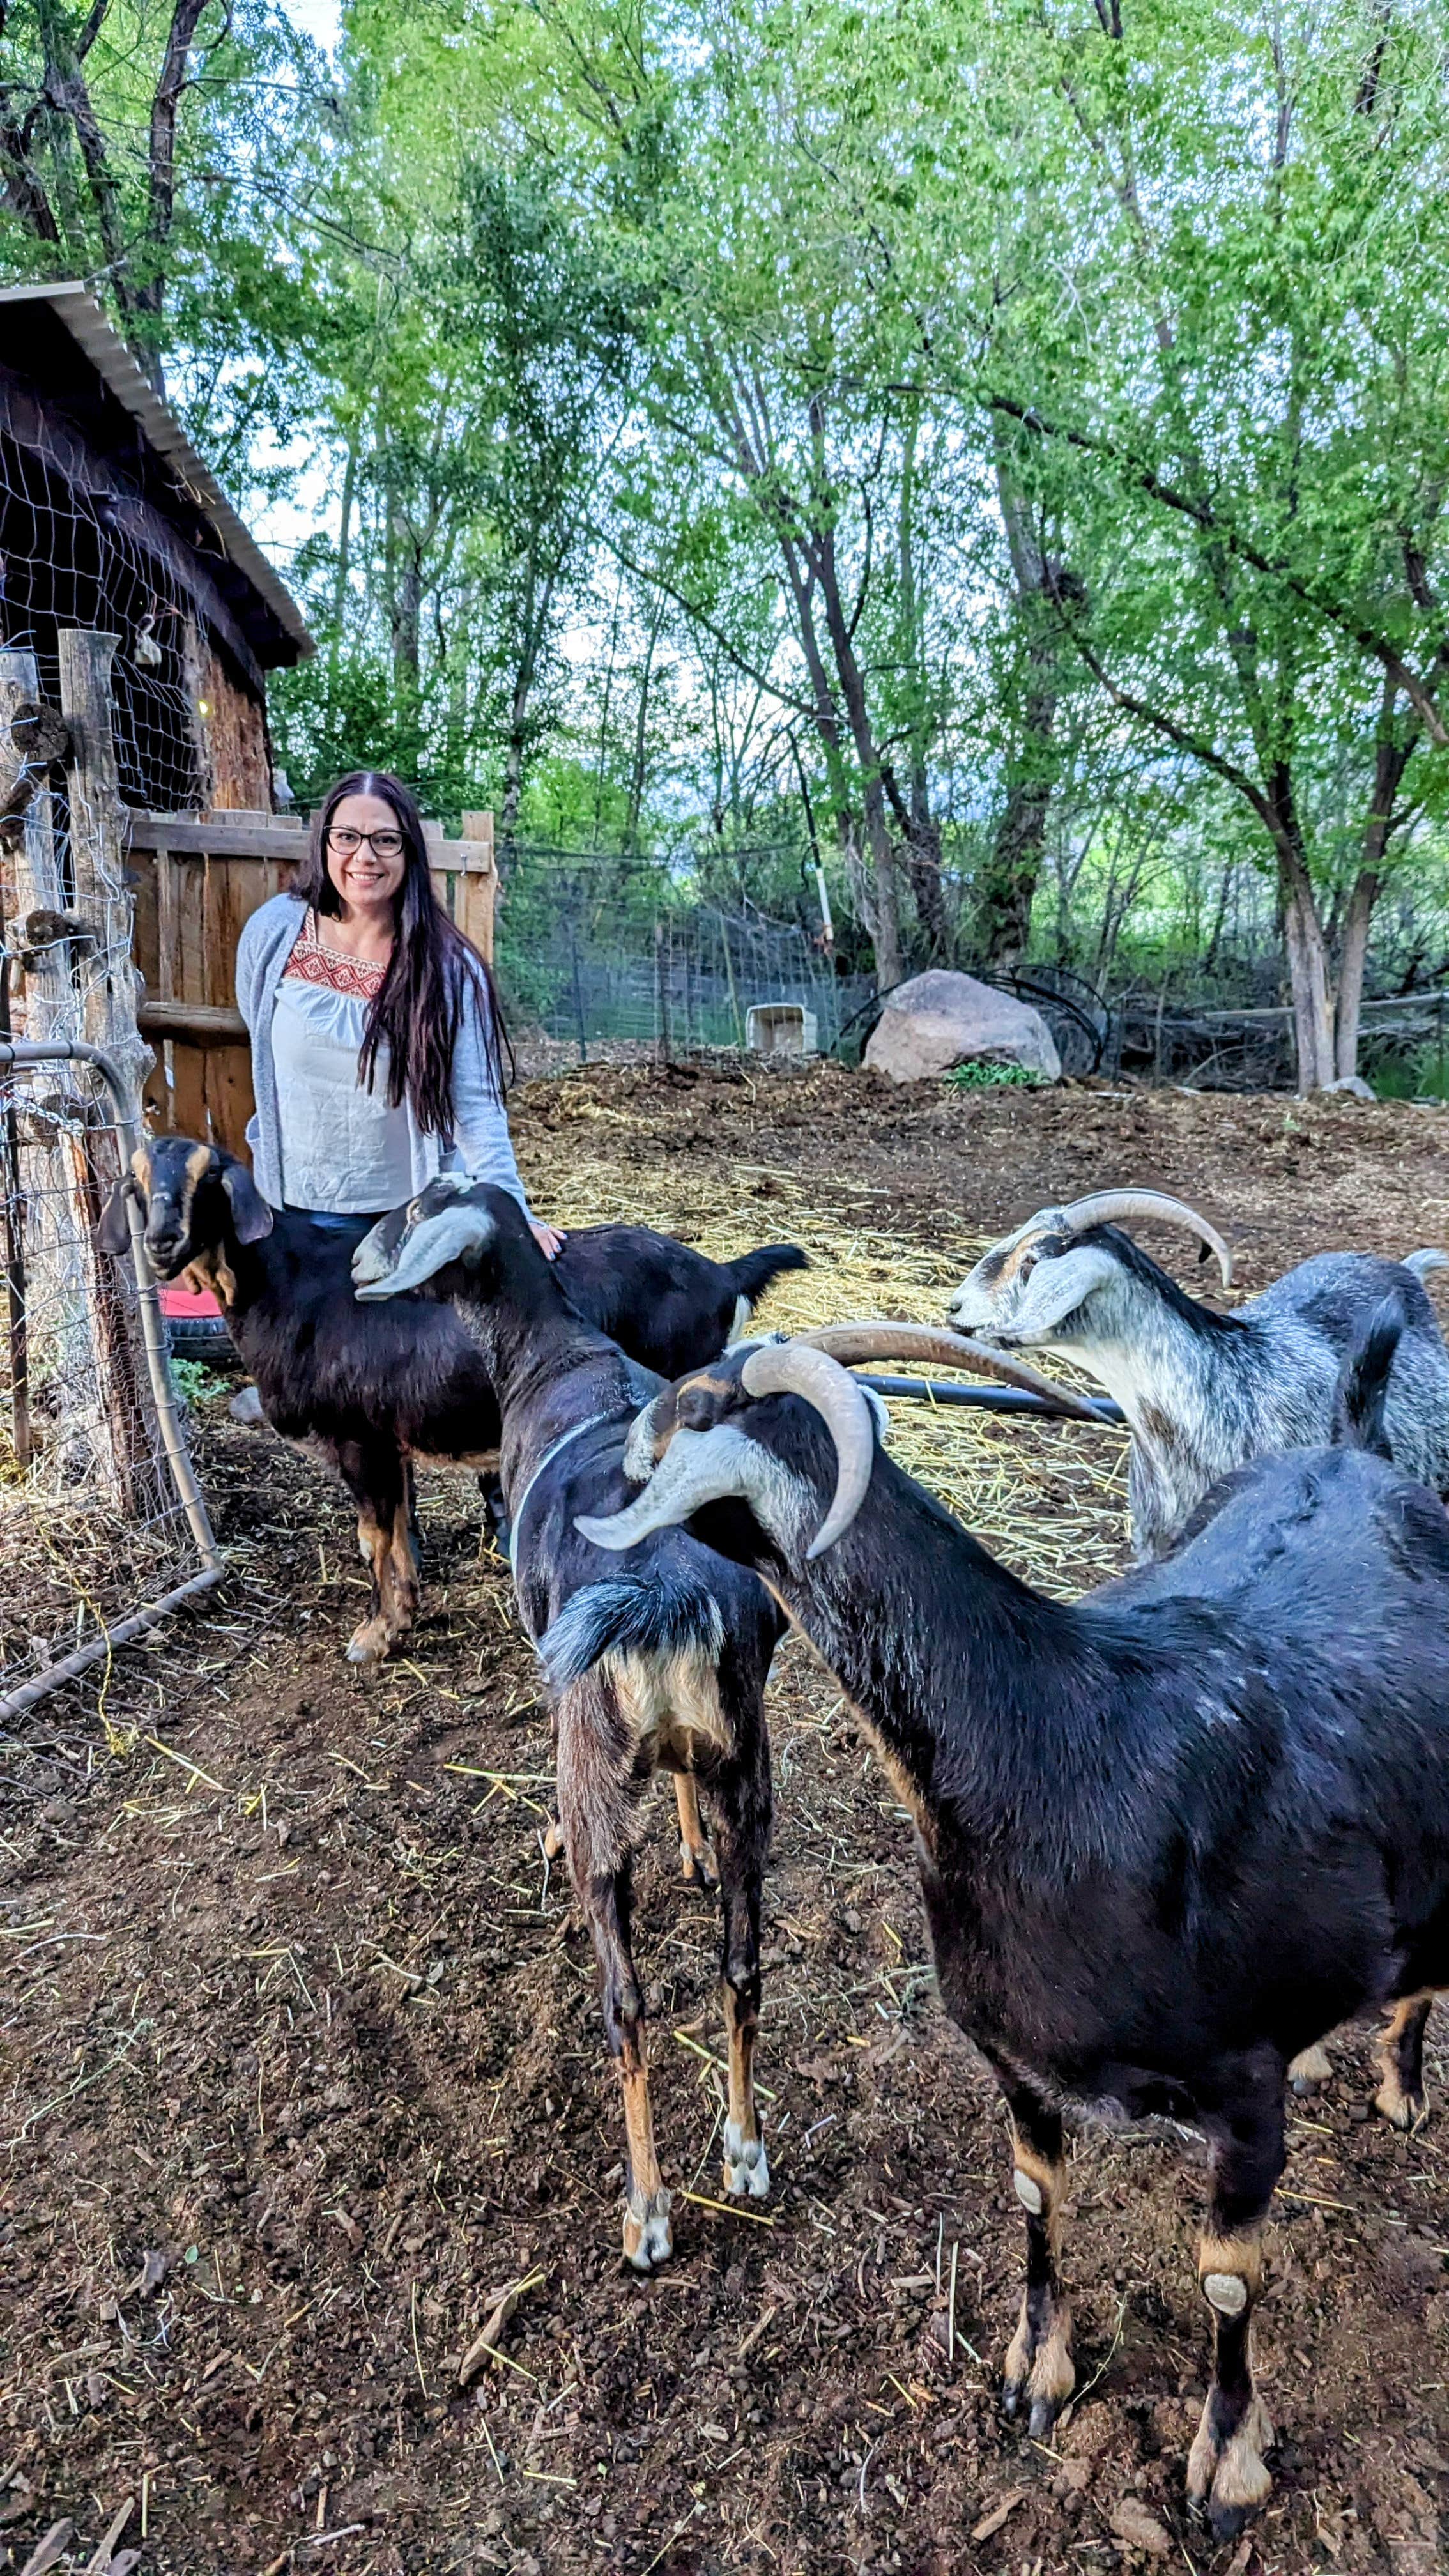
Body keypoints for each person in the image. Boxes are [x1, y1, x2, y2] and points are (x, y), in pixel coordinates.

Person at [236, 769, 561, 1254]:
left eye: (385, 840)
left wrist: (514, 1216)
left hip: (405, 1227)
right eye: (347, 837)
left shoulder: (449, 968)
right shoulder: (274, 933)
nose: (364, 856)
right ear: (324, 842)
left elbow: (477, 1107)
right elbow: (260, 1043)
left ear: (408, 851)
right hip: (289, 1218)